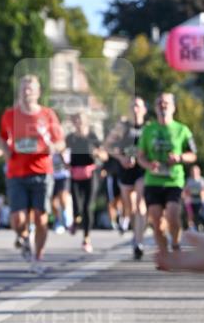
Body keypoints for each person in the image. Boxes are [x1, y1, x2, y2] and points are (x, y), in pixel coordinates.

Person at [0, 74, 65, 273]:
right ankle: (24, 237)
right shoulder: (9, 115)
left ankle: (38, 257)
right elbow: (2, 137)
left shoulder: (47, 115)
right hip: (16, 172)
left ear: (38, 92)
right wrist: (6, 150)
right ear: (19, 91)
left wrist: (53, 147)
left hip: (42, 172)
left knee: (41, 218)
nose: (26, 92)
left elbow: (61, 142)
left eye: (30, 89)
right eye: (23, 88)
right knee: (18, 219)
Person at [137, 92, 197, 256]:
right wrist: (149, 165)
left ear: (173, 107)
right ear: (155, 108)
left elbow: (193, 154)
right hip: (153, 181)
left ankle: (176, 244)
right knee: (156, 221)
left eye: (166, 103)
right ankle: (164, 255)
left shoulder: (182, 130)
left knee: (172, 215)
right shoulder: (148, 130)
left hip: (174, 180)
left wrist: (179, 157)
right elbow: (140, 156)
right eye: (159, 103)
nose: (163, 106)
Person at [105, 96, 148, 259]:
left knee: (140, 202)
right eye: (132, 106)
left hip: (142, 170)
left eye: (138, 106)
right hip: (125, 169)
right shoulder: (122, 127)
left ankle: (139, 242)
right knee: (129, 207)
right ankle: (131, 228)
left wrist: (145, 159)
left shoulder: (148, 127)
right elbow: (107, 146)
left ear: (144, 110)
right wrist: (121, 157)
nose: (135, 109)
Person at [64, 112, 108, 254]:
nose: (79, 123)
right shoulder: (70, 138)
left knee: (88, 206)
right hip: (75, 174)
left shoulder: (92, 137)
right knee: (77, 204)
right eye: (76, 120)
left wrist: (97, 153)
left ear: (87, 122)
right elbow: (61, 150)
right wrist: (65, 163)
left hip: (90, 174)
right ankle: (76, 222)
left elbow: (104, 155)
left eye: (81, 120)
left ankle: (86, 238)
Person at [51, 150, 72, 233]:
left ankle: (66, 221)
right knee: (53, 202)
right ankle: (58, 220)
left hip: (63, 175)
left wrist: (60, 153)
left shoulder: (63, 144)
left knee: (63, 198)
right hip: (51, 176)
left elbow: (67, 162)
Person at [183, 164, 204, 231]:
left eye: (196, 171)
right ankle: (191, 227)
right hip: (191, 201)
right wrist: (186, 199)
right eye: (193, 171)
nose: (194, 173)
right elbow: (186, 191)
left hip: (200, 201)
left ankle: (201, 225)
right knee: (190, 214)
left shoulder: (202, 180)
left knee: (200, 214)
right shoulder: (188, 180)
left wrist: (203, 201)